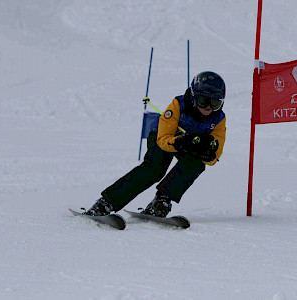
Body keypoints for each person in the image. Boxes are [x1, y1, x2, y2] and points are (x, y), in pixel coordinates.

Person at [85, 71, 226, 218]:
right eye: (203, 101)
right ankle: (106, 203)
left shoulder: (218, 119)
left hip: (190, 144)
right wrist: (180, 143)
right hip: (162, 138)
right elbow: (163, 139)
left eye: (215, 103)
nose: (209, 108)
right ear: (193, 96)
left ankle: (161, 201)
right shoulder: (178, 105)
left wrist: (208, 154)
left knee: (196, 164)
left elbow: (216, 154)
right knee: (154, 169)